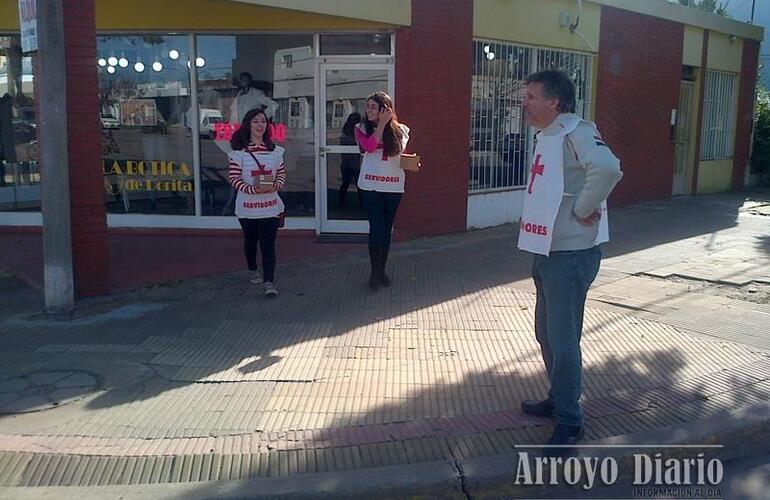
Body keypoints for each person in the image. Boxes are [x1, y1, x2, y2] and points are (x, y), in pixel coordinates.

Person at [517, 70, 622, 454]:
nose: (524, 102)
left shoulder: (577, 131)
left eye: (531, 96)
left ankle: (570, 421)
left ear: (554, 102)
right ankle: (558, 398)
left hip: (571, 256)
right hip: (547, 251)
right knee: (546, 335)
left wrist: (582, 208)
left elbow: (608, 168)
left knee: (562, 340)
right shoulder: (550, 133)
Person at [354, 92, 410, 292]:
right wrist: (380, 126)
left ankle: (382, 269)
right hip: (370, 186)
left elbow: (398, 152)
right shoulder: (360, 128)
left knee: (386, 230)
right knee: (376, 228)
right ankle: (374, 272)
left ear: (386, 109)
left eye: (373, 107)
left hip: (393, 186)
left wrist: (412, 161)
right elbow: (369, 147)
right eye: (367, 106)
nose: (368, 110)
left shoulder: (402, 130)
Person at [228, 108, 286, 297]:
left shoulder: (276, 151)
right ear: (248, 125)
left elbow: (281, 174)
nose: (260, 125)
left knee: (268, 244)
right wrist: (252, 190)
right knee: (251, 241)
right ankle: (253, 269)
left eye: (263, 121)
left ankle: (269, 282)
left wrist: (276, 185)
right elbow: (234, 178)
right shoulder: (239, 153)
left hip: (270, 207)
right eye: (255, 121)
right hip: (247, 208)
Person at [338, 112, 361, 208]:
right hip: (353, 164)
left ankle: (341, 201)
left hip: (347, 164)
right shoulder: (352, 135)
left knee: (346, 183)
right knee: (358, 185)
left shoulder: (345, 134)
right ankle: (362, 203)